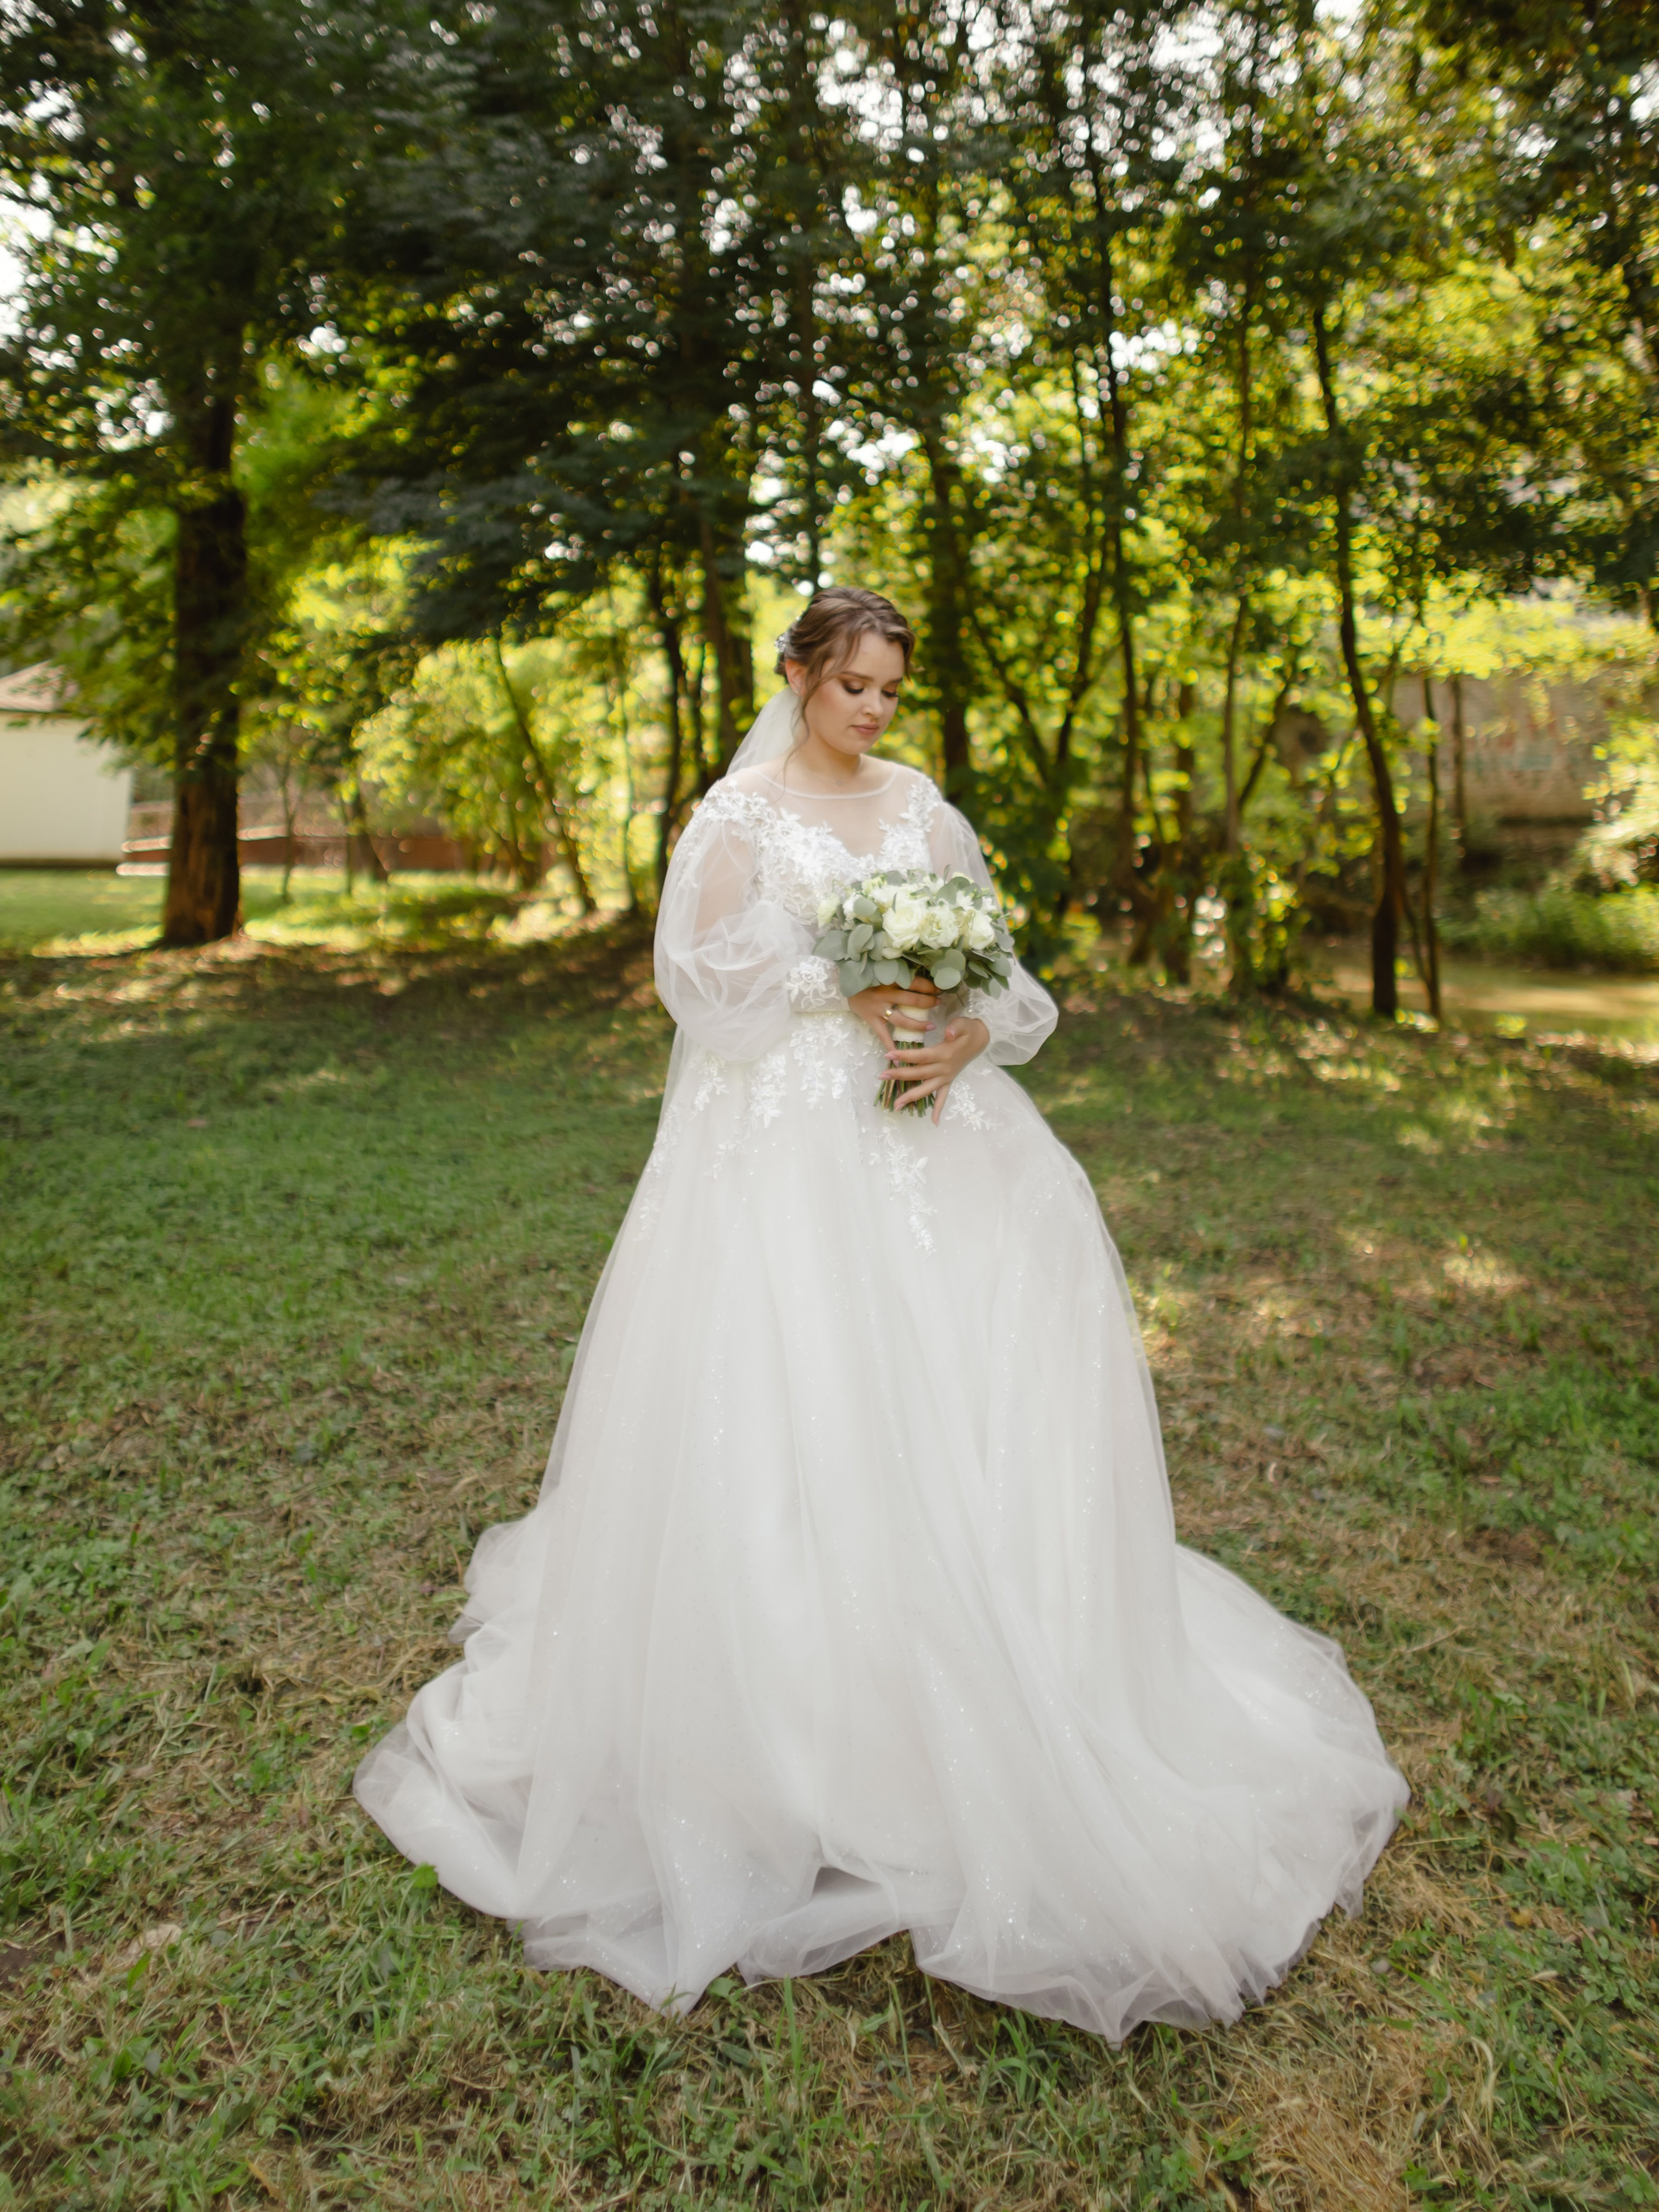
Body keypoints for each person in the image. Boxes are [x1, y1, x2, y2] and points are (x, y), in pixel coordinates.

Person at [355, 586, 1406, 2040]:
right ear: (795, 676)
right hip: (783, 1156)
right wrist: (834, 982)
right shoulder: (733, 821)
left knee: (973, 1383)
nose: (870, 712)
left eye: (888, 692)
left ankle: (1000, 1671)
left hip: (936, 1131)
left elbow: (1005, 981)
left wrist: (964, 1026)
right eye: (850, 685)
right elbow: (696, 990)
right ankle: (798, 1738)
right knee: (801, 1403)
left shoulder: (922, 809)